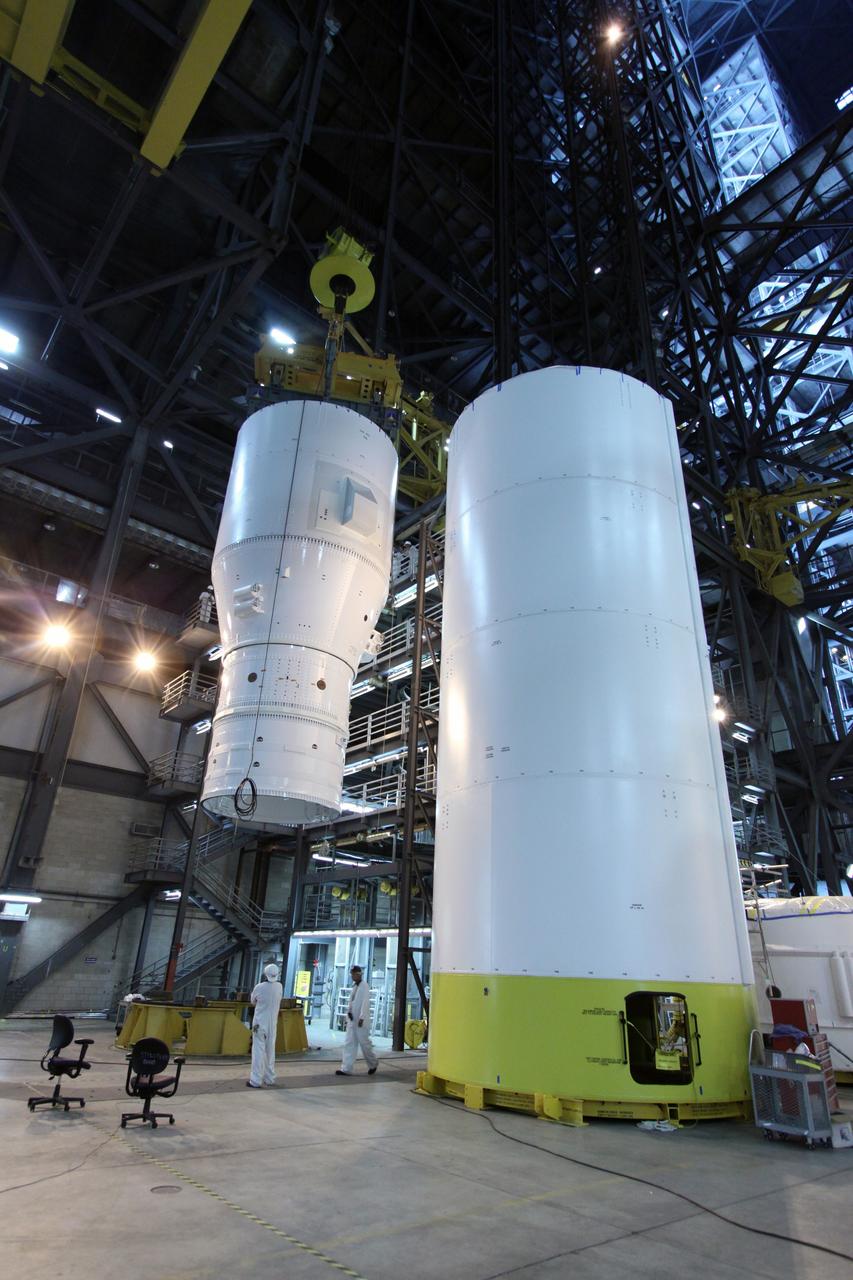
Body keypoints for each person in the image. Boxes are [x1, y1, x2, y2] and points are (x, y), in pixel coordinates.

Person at [336, 964, 378, 1076]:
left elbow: (365, 1003)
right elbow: (352, 1002)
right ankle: (346, 1068)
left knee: (364, 1044)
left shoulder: (364, 986)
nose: (352, 976)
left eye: (353, 974)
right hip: (352, 1020)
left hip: (360, 1021)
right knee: (349, 1043)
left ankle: (373, 1063)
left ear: (358, 974)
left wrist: (362, 1017)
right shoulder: (355, 987)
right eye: (351, 974)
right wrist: (348, 1013)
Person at [247, 963, 282, 1088]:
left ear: (265, 974)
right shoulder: (279, 987)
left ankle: (255, 1080)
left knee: (258, 1051)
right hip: (273, 1025)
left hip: (260, 1024)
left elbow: (253, 1002)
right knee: (270, 1051)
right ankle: (270, 1078)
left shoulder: (259, 987)